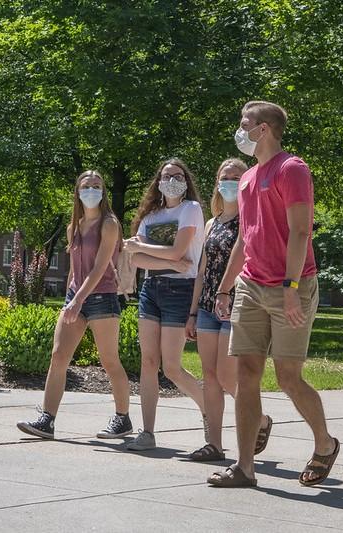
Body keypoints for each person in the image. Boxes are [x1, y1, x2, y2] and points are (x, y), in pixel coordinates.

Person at [208, 101, 339, 488]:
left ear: (263, 129)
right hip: (251, 284)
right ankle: (244, 467)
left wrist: (292, 288)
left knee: (288, 377)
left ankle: (325, 444)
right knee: (246, 374)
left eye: (243, 123)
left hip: (291, 284)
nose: (239, 129)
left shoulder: (292, 169)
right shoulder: (247, 179)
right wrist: (224, 286)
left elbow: (301, 232)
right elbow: (245, 241)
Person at [17, 170, 133, 440]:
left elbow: (99, 267)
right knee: (58, 356)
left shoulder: (109, 223)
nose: (91, 190)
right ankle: (47, 420)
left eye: (96, 186)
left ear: (103, 192)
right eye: (86, 186)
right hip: (75, 296)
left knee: (109, 361)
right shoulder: (75, 226)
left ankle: (123, 418)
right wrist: (72, 297)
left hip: (102, 296)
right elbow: (74, 269)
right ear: (78, 192)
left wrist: (79, 299)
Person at [186, 158, 273, 462]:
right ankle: (214, 445)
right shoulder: (213, 222)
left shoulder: (250, 218)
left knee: (226, 377)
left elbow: (247, 261)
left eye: (236, 177)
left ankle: (260, 420)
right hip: (209, 305)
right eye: (225, 177)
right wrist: (193, 311)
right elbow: (201, 271)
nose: (230, 182)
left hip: (237, 304)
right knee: (209, 376)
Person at [123, 158, 206, 451]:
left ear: (186, 181)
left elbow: (179, 251)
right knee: (148, 362)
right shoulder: (150, 216)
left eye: (178, 175)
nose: (172, 180)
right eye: (167, 175)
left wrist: (143, 247)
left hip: (180, 291)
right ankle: (147, 432)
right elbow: (137, 260)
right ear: (158, 181)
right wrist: (167, 258)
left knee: (171, 367)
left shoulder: (191, 209)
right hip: (151, 289)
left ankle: (209, 407)